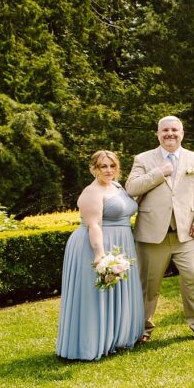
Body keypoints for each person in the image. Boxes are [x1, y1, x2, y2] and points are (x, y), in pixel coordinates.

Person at [125, 116, 194, 341]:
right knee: (148, 285)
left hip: (186, 234)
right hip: (151, 235)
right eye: (165, 130)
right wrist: (158, 173)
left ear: (182, 133)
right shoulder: (143, 159)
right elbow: (131, 188)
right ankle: (142, 329)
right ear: (158, 134)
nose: (170, 134)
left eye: (174, 130)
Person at [56, 151, 145, 360]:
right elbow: (94, 225)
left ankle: (117, 337)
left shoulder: (117, 186)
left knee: (117, 291)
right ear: (93, 169)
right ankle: (92, 343)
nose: (108, 170)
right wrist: (100, 256)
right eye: (103, 166)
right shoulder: (91, 192)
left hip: (122, 242)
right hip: (96, 244)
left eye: (112, 166)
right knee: (95, 295)